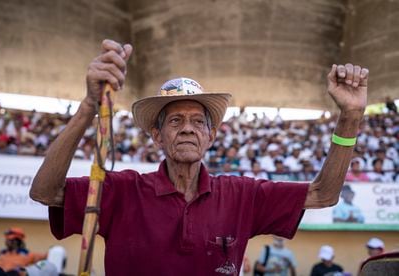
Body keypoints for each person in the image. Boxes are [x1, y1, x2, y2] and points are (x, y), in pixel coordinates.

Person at [30, 39, 369, 275]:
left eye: (197, 121)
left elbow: (323, 194)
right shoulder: (122, 190)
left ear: (212, 135)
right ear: (157, 135)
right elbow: (44, 192)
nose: (188, 129)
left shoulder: (242, 195)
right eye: (175, 121)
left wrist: (351, 116)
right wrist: (89, 106)